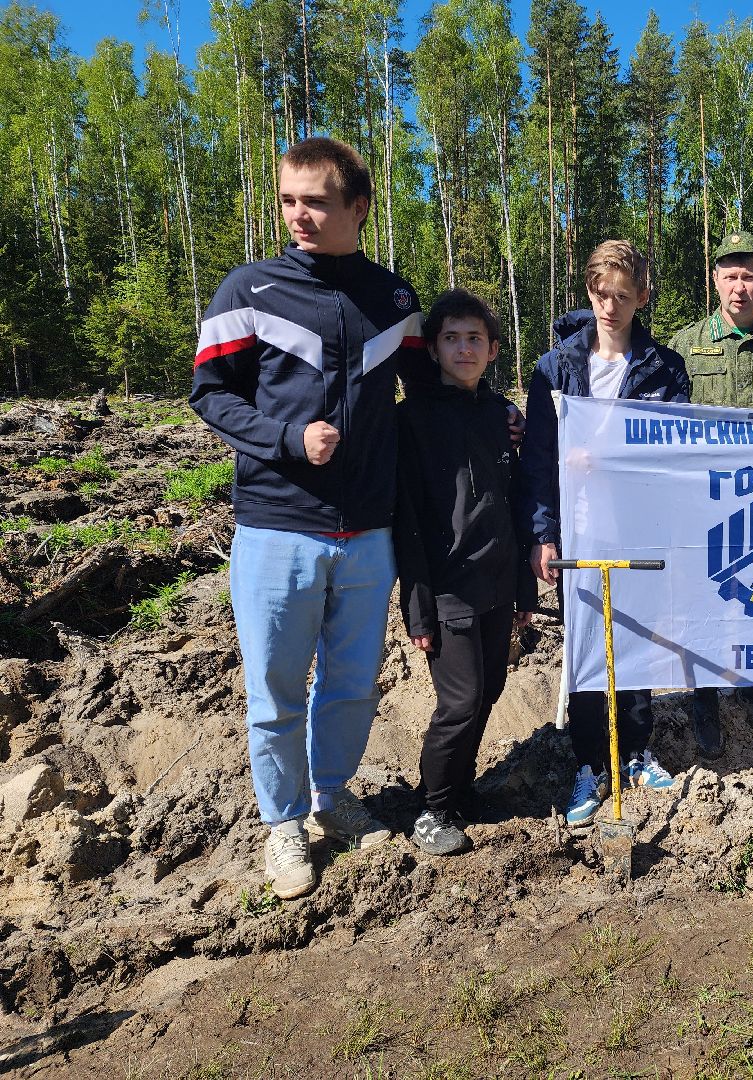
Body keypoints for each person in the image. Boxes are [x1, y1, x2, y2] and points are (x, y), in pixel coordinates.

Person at [190, 137, 424, 899]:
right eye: (289, 199)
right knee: (276, 688)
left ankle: (333, 796)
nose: (299, 214)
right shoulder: (249, 291)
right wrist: (288, 440)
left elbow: (429, 396)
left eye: (316, 201)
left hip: (368, 533)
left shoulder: (394, 301)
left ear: (358, 207)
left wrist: (497, 422)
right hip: (277, 527)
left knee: (353, 683)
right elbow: (210, 395)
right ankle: (283, 824)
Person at [520, 239, 689, 826]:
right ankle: (591, 761)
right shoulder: (556, 368)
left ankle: (637, 747)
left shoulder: (666, 368)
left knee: (636, 641)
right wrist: (544, 534)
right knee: (589, 646)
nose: (610, 306)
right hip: (578, 531)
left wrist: (610, 456)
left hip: (638, 526)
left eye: (622, 295)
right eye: (601, 293)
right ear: (588, 290)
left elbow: (671, 454)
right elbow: (538, 460)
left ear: (642, 296)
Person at [393, 290, 537, 855]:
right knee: (460, 699)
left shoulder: (500, 417)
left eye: (474, 338)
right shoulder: (412, 423)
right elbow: (407, 521)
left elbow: (514, 504)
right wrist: (419, 603)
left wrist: (524, 588)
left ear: (493, 348)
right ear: (432, 348)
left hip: (498, 581)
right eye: (451, 338)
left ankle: (459, 791)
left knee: (492, 688)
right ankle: (431, 810)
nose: (463, 348)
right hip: (446, 588)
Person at [669, 230, 753, 759]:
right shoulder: (684, 347)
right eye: (730, 275)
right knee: (705, 600)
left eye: (749, 275)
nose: (739, 286)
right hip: (707, 501)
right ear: (715, 279)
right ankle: (702, 698)